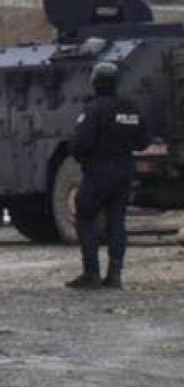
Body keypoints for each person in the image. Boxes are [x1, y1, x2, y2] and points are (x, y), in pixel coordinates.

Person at [66, 62, 149, 290]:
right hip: (124, 171)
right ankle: (115, 275)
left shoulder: (94, 109)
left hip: (99, 172)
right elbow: (143, 142)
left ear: (95, 82)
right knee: (117, 222)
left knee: (85, 217)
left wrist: (79, 152)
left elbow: (81, 143)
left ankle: (91, 273)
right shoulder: (130, 108)